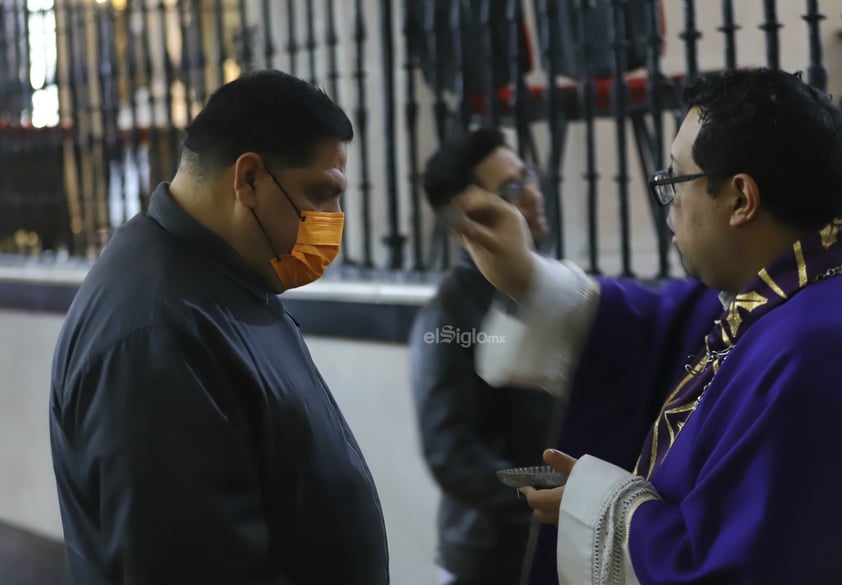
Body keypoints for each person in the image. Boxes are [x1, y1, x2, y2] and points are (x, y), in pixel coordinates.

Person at [451, 68, 842, 583]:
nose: (670, 200)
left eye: (675, 178)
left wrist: (601, 507)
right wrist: (528, 276)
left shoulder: (812, 348)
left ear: (741, 199)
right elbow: (661, 325)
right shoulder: (785, 301)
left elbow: (742, 566)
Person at [49, 70, 389, 584]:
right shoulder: (155, 332)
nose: (333, 220)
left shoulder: (227, 281)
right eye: (321, 194)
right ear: (248, 179)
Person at [409, 127, 558, 585]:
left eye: (527, 176)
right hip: (489, 561)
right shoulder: (448, 316)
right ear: (466, 220)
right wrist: (548, 491)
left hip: (559, 548)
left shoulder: (548, 288)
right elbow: (452, 455)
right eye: (510, 189)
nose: (531, 193)